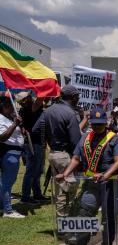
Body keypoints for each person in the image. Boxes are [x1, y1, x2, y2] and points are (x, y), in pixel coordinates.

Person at [55, 108, 118, 245]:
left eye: (100, 124)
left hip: (110, 185)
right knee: (83, 217)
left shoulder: (114, 139)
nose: (98, 127)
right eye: (95, 124)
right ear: (91, 123)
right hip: (91, 185)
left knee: (108, 220)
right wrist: (65, 173)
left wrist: (105, 175)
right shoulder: (85, 137)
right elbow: (76, 158)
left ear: (106, 123)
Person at [33, 85, 82, 217]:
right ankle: (66, 223)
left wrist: (50, 139)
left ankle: (62, 222)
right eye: (77, 96)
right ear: (72, 97)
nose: (78, 99)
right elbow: (75, 141)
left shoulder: (48, 110)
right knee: (67, 191)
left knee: (60, 189)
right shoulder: (70, 113)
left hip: (54, 154)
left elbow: (36, 129)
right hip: (66, 156)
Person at [17, 92, 47, 204]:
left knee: (37, 170)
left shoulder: (29, 107)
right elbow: (40, 99)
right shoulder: (28, 108)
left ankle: (37, 194)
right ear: (25, 100)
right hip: (32, 143)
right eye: (27, 97)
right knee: (31, 170)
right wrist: (43, 86)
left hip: (38, 142)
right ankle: (25, 197)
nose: (30, 98)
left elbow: (43, 101)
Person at [0, 96, 25, 218]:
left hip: (14, 153)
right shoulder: (1, 119)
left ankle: (2, 206)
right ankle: (8, 210)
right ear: (4, 107)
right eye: (10, 105)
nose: (12, 108)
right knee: (7, 182)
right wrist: (15, 124)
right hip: (9, 154)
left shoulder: (7, 118)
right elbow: (2, 137)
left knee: (5, 182)